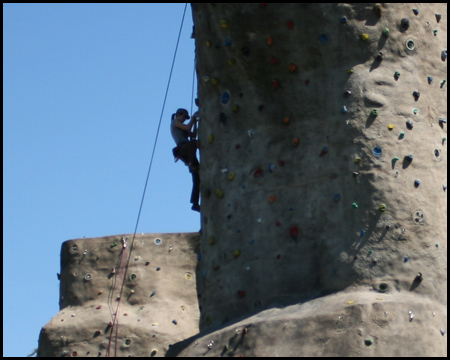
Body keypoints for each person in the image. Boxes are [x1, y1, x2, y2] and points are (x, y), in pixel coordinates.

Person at [170, 108, 201, 212]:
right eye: (184, 117)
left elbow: (193, 135)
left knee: (197, 176)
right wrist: (192, 119)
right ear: (178, 114)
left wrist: (195, 123)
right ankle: (192, 163)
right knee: (192, 144)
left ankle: (195, 203)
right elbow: (188, 126)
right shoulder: (175, 122)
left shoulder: (182, 127)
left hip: (187, 150)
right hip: (183, 148)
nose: (184, 120)